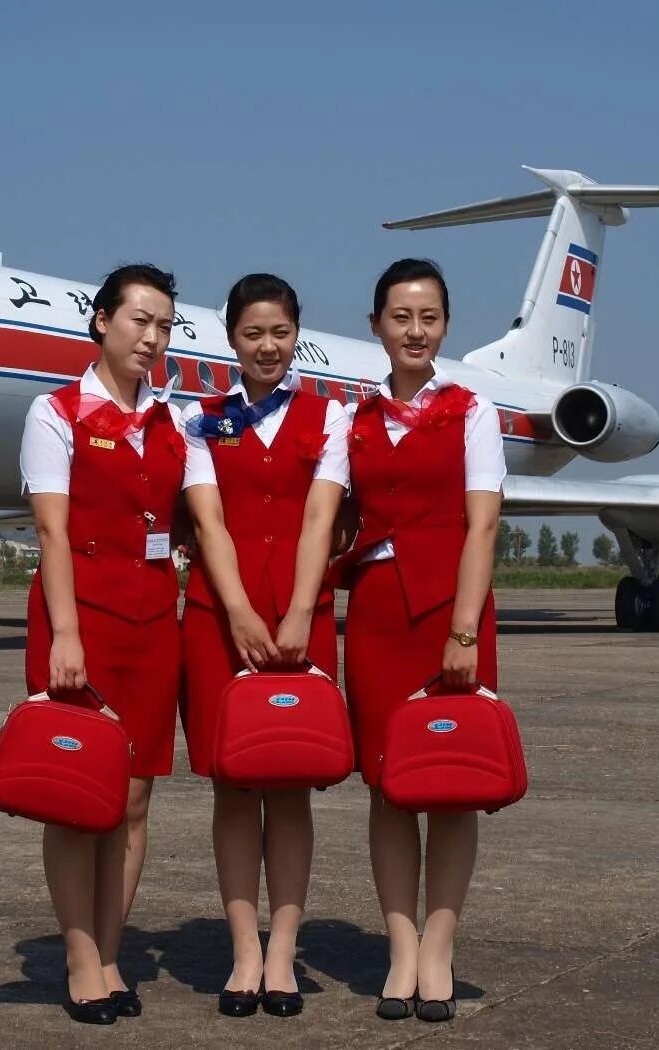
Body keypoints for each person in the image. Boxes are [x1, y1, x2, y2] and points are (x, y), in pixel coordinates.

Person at [338, 258, 506, 1023]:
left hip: (451, 611)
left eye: (429, 317)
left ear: (445, 325)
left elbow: (484, 523)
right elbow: (319, 517)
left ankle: (439, 949)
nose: (415, 331)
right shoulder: (350, 418)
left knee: (453, 784)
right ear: (376, 325)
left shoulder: (474, 409)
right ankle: (400, 948)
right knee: (389, 784)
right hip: (375, 614)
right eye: (400, 317)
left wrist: (464, 629)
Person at [18, 263, 184, 1025]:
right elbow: (52, 529)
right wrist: (65, 636)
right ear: (101, 322)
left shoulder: (172, 421)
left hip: (154, 622)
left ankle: (112, 954)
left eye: (163, 325)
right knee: (78, 798)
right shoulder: (55, 414)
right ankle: (80, 961)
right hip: (77, 620)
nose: (150, 337)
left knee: (135, 799)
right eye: (138, 320)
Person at [179, 274, 348, 1018]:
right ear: (231, 340)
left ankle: (284, 950)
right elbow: (208, 523)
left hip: (301, 619)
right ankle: (243, 950)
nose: (268, 347)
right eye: (253, 334)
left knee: (289, 783)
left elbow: (321, 520)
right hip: (220, 618)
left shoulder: (331, 418)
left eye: (280, 332)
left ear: (296, 334)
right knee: (232, 784)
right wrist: (242, 612)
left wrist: (302, 614)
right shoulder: (201, 419)